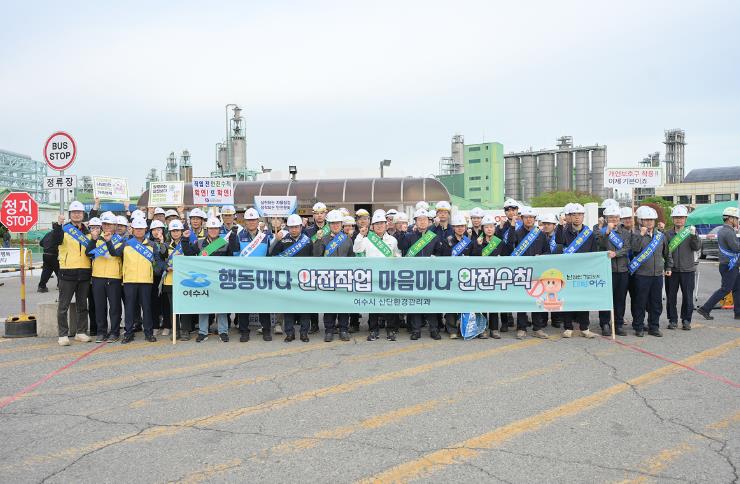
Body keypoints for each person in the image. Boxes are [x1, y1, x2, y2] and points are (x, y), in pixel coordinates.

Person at [109, 217, 166, 344]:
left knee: (147, 308)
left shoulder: (151, 245)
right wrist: (108, 242)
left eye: (141, 229)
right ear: (133, 230)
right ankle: (128, 333)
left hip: (146, 281)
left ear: (145, 229)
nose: (139, 231)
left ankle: (148, 333)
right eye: (137, 229)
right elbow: (115, 253)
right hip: (129, 281)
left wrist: (165, 267)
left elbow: (158, 260)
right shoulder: (126, 243)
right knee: (129, 308)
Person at [397, 208, 446, 340]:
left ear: (429, 222)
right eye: (419, 220)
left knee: (431, 303)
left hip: (430, 275)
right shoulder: (409, 236)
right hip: (414, 275)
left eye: (425, 220)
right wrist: (402, 233)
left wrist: (436, 257)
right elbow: (402, 247)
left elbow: (439, 251)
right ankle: (416, 330)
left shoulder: (433, 237)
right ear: (415, 222)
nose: (422, 222)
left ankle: (434, 329)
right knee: (416, 303)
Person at [354, 209, 402, 340]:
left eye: (382, 223)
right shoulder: (367, 239)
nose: (379, 226)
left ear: (386, 225)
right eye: (377, 224)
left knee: (389, 304)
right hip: (373, 277)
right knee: (373, 304)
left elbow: (397, 254)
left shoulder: (392, 240)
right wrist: (360, 235)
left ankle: (390, 330)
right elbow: (356, 249)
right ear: (372, 226)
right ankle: (373, 330)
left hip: (388, 277)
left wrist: (396, 258)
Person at [190, 217, 239, 342]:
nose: (213, 230)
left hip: (220, 279)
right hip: (204, 279)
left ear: (219, 230)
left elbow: (232, 257)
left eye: (215, 228)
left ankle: (223, 331)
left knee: (222, 306)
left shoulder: (225, 243)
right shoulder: (199, 243)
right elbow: (189, 255)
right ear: (207, 229)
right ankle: (203, 332)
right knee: (204, 306)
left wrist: (233, 238)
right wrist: (185, 240)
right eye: (211, 228)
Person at [51, 201, 93, 346]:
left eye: (79, 212)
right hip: (67, 272)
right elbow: (55, 240)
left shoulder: (88, 231)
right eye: (74, 212)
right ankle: (63, 334)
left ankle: (81, 332)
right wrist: (58, 225)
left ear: (83, 214)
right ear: (70, 214)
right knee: (63, 306)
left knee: (83, 305)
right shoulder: (64, 229)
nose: (77, 214)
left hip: (84, 272)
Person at [556, 203, 598, 338]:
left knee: (583, 299)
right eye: (574, 215)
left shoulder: (588, 233)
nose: (577, 217)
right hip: (568, 271)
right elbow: (558, 242)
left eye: (580, 214)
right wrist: (560, 226)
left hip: (583, 271)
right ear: (570, 216)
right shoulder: (564, 231)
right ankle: (568, 327)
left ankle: (584, 327)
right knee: (568, 299)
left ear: (583, 216)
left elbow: (594, 251)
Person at [270, 214, 313, 342]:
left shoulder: (307, 241)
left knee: (305, 308)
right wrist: (276, 240)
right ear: (288, 228)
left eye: (296, 227)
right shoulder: (283, 241)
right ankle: (289, 333)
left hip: (303, 279)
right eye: (291, 227)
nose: (294, 229)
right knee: (288, 307)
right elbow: (272, 256)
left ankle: (304, 333)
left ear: (301, 227)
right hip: (287, 279)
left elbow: (313, 259)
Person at [509, 206, 551, 339]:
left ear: (534, 219)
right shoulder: (517, 233)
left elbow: (547, 252)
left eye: (531, 217)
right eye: (526, 217)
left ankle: (537, 328)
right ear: (522, 218)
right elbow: (509, 246)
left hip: (537, 272)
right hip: (522, 271)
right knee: (522, 300)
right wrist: (512, 226)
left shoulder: (540, 234)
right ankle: (521, 328)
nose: (529, 219)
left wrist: (541, 256)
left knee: (537, 299)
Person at [630, 206, 672, 337]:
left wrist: (668, 267)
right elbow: (634, 250)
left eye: (651, 220)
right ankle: (639, 326)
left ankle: (654, 326)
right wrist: (641, 235)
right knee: (640, 302)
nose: (649, 222)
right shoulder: (636, 234)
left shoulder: (661, 236)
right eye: (646, 220)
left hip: (657, 275)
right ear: (640, 221)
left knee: (656, 302)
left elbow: (667, 253)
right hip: (641, 275)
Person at [313, 210, 354, 342]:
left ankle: (343, 329)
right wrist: (318, 241)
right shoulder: (323, 239)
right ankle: (329, 330)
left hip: (344, 277)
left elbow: (352, 258)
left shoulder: (347, 239)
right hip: (328, 277)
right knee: (329, 306)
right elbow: (316, 256)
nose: (335, 225)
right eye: (332, 223)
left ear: (341, 224)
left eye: (337, 223)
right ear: (329, 225)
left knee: (344, 306)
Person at [235, 208, 273, 342]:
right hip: (244, 275)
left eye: (254, 220)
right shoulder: (239, 236)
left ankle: (266, 329)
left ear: (258, 221)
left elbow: (269, 255)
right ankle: (244, 331)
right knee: (243, 305)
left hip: (261, 275)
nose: (251, 222)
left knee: (263, 304)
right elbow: (235, 255)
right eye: (249, 220)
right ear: (245, 221)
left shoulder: (265, 237)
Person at [86, 212, 124, 342]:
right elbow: (88, 253)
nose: (107, 226)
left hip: (114, 277)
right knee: (100, 307)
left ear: (115, 225)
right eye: (105, 224)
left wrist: (108, 242)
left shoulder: (121, 240)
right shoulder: (96, 238)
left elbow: (116, 254)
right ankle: (101, 332)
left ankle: (115, 332)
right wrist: (93, 239)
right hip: (98, 277)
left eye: (109, 224)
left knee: (115, 307)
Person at [697, 207, 740, 322]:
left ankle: (738, 313)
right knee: (726, 289)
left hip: (729, 264)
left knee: (737, 288)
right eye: (736, 218)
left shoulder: (724, 230)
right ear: (730, 219)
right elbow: (736, 248)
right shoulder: (728, 232)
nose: (738, 221)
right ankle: (705, 308)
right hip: (729, 265)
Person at [596, 205, 631, 337]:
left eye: (616, 217)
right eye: (611, 217)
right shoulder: (601, 232)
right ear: (606, 219)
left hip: (622, 270)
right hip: (607, 270)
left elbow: (627, 248)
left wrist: (616, 253)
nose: (614, 219)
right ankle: (605, 323)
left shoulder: (625, 233)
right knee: (605, 297)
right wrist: (607, 233)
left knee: (620, 299)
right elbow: (600, 246)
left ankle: (618, 324)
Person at [664, 205, 701, 331]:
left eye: (681, 217)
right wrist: (668, 267)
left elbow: (696, 247)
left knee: (688, 297)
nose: (679, 220)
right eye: (676, 217)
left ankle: (686, 320)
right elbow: (665, 252)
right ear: (673, 219)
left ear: (685, 219)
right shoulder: (667, 234)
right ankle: (672, 320)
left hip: (688, 270)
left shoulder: (691, 232)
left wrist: (694, 236)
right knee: (671, 297)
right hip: (672, 270)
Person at [442, 213, 477, 338]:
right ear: (453, 227)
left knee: (465, 302)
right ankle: (451, 329)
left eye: (462, 226)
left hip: (466, 277)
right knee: (451, 303)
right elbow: (444, 259)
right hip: (452, 277)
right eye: (458, 226)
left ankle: (464, 327)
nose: (460, 228)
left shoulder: (469, 241)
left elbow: (475, 257)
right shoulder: (447, 241)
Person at [475, 214, 505, 338]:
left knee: (493, 303)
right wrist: (478, 246)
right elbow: (473, 259)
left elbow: (506, 257)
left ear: (494, 228)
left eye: (491, 226)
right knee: (481, 304)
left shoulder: (499, 242)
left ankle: (494, 329)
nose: (489, 229)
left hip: (495, 277)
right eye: (486, 227)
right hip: (481, 277)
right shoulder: (478, 241)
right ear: (482, 228)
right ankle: (482, 329)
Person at [162, 219, 192, 340]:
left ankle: (185, 331)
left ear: (181, 231)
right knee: (173, 308)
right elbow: (160, 260)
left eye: (177, 230)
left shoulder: (187, 244)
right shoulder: (165, 246)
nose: (175, 233)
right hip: (170, 280)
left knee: (184, 306)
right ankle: (176, 331)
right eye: (173, 231)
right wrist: (166, 267)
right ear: (170, 232)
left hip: (184, 280)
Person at [305, 202, 329, 334]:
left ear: (326, 214)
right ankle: (314, 324)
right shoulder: (308, 230)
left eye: (322, 213)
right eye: (317, 213)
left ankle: (329, 324)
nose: (319, 216)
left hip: (328, 266)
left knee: (328, 296)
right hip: (312, 266)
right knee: (313, 297)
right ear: (313, 215)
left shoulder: (331, 228)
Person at [148, 220, 167, 334]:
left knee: (165, 302)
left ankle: (167, 325)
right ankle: (155, 325)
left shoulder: (167, 243)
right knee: (153, 301)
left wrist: (162, 242)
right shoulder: (147, 243)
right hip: (152, 276)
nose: (156, 232)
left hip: (165, 275)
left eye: (159, 229)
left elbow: (165, 255)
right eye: (154, 230)